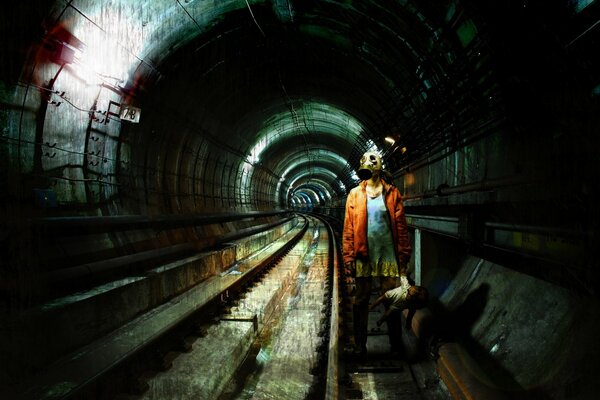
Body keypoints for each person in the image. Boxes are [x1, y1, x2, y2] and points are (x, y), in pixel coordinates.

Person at [342, 150, 411, 358]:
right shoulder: (354, 194)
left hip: (388, 255)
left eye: (372, 161)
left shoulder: (392, 193)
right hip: (364, 256)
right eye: (365, 161)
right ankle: (359, 346)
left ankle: (396, 345)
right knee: (361, 300)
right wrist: (348, 257)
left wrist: (403, 257)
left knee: (392, 300)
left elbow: (401, 227)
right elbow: (348, 229)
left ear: (379, 166)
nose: (368, 164)